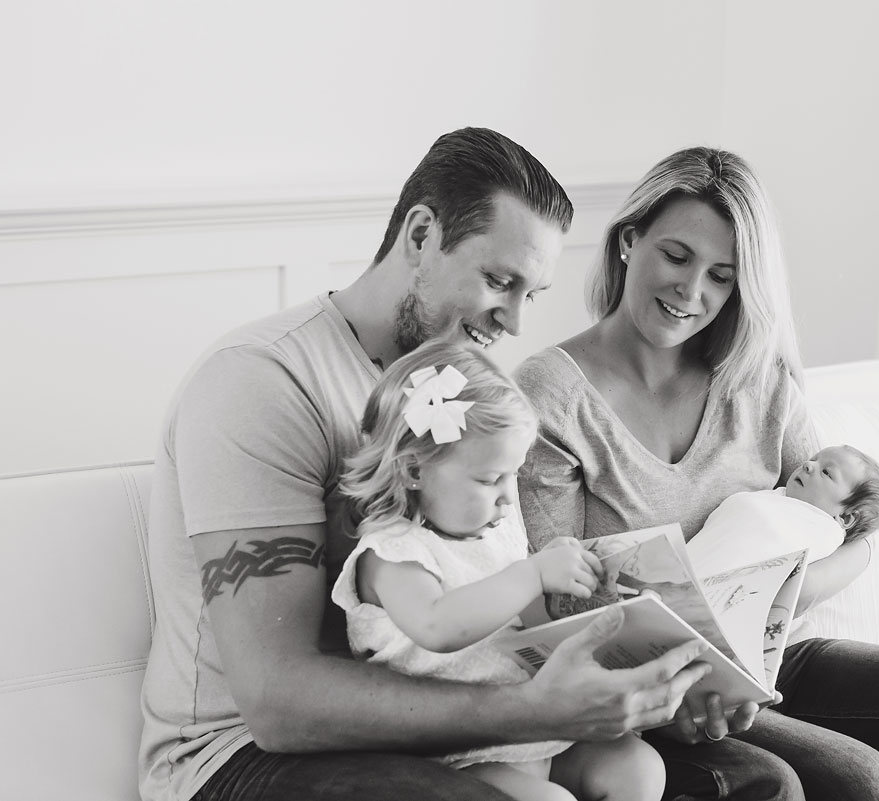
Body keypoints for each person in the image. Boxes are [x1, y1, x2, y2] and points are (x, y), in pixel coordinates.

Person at [138, 128, 720, 801]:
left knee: (748, 779)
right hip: (237, 756)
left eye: (530, 292)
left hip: (430, 721)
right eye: (500, 281)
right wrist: (538, 708)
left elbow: (494, 588)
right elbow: (276, 700)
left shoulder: (467, 396)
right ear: (420, 235)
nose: (514, 321)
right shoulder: (262, 382)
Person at [515, 146, 879, 800]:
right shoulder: (549, 395)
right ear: (628, 240)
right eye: (675, 256)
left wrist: (778, 597)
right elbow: (553, 604)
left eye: (722, 275)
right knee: (866, 785)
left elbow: (857, 538)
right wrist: (695, 664)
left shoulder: (755, 380)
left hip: (784, 660)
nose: (691, 291)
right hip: (654, 686)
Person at [332, 339, 665, 801]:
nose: (510, 496)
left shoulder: (497, 526)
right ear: (414, 471)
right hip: (458, 754)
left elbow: (521, 613)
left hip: (538, 729)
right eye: (490, 480)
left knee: (640, 768)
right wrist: (531, 575)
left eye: (515, 473)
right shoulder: (392, 553)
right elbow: (436, 626)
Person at [687, 445, 879, 579]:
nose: (808, 464)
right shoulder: (779, 498)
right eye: (814, 458)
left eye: (826, 472)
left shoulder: (823, 531)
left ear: (846, 517)